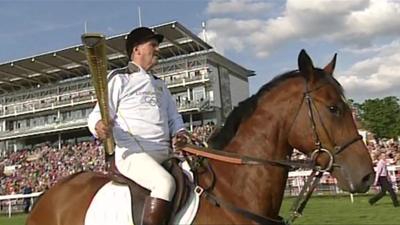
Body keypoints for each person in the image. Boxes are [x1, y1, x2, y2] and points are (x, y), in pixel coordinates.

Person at [87, 26, 189, 225]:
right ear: (137, 49)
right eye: (152, 44)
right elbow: (97, 114)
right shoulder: (119, 78)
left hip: (165, 154)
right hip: (133, 154)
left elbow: (174, 118)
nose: (157, 49)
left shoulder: (161, 85)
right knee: (164, 184)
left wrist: (180, 132)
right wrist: (99, 125)